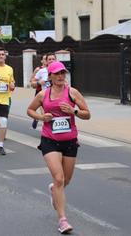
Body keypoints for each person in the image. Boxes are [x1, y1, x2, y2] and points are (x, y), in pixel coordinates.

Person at [27, 61, 90, 234]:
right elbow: (30, 110)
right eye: (57, 74)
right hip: (50, 140)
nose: (61, 76)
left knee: (65, 180)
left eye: (63, 73)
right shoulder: (43, 95)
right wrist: (41, 117)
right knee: (59, 178)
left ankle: (54, 190)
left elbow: (87, 114)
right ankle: (63, 220)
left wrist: (73, 111)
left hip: (70, 142)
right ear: (51, 77)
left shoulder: (72, 92)